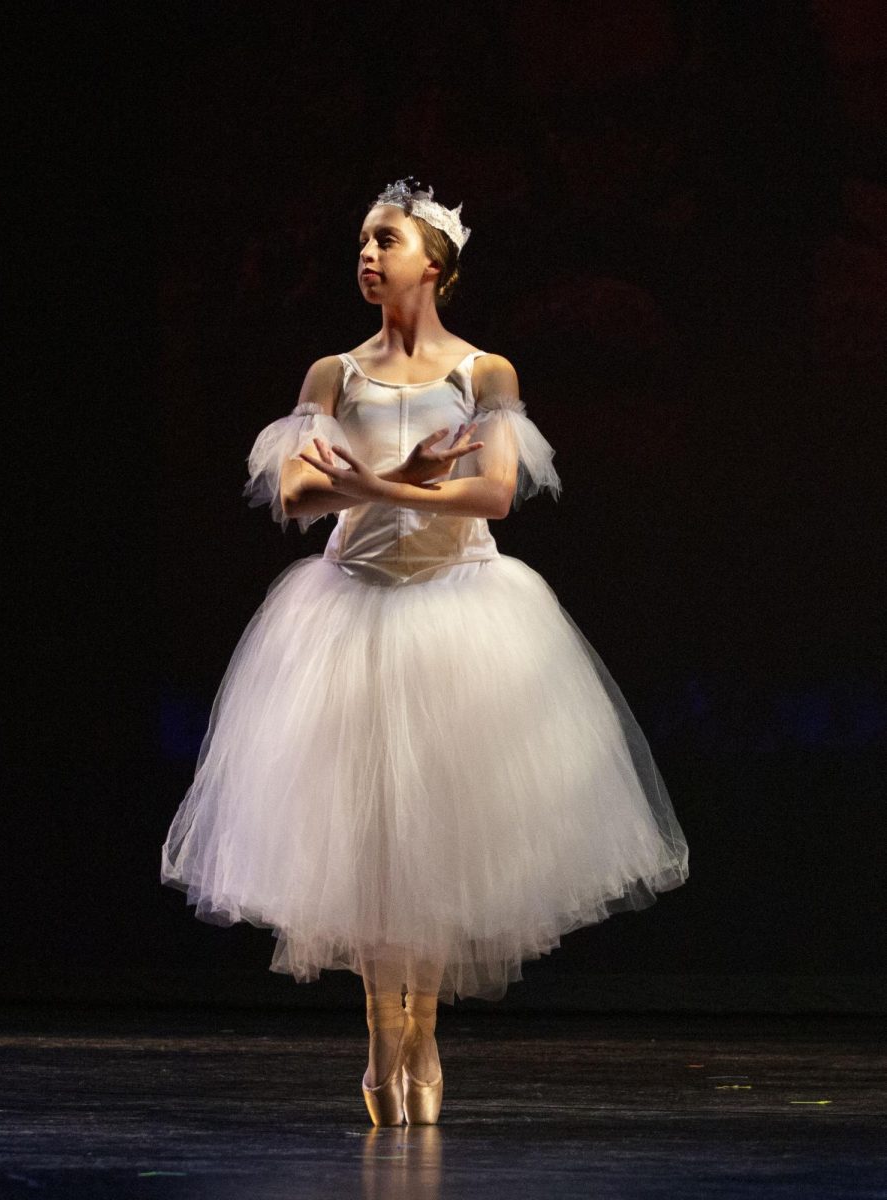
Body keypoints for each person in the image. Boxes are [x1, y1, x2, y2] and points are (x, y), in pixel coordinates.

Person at [160, 176, 689, 1127]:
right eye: (361, 240)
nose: (366, 254)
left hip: (461, 612)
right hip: (350, 609)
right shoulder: (334, 374)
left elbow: (492, 496)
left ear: (434, 264)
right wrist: (373, 487)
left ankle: (424, 1027)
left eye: (385, 239)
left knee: (444, 830)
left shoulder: (483, 374)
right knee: (364, 838)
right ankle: (377, 1026)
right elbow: (290, 494)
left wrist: (393, 487)